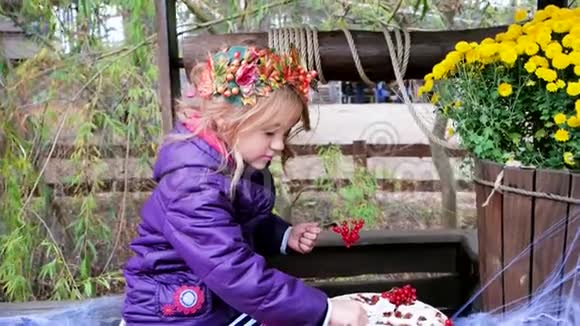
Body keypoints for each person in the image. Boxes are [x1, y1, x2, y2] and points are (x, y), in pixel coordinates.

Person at [121, 45, 368, 326]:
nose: (278, 145)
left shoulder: (230, 164)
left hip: (214, 303)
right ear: (226, 121)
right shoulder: (191, 185)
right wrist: (323, 311)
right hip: (177, 315)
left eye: (284, 133)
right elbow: (231, 269)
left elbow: (237, 223)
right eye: (269, 132)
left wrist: (283, 235)